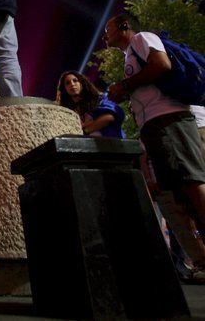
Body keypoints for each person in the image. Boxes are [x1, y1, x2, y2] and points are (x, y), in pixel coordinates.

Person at [105, 13, 205, 253]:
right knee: (181, 192)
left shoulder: (141, 38)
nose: (105, 35)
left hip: (169, 119)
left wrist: (125, 86)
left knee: (192, 182)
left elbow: (161, 64)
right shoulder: (130, 53)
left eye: (108, 29)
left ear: (124, 26)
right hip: (155, 125)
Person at [55, 70, 125, 138]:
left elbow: (109, 117)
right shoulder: (68, 112)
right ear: (64, 89)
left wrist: (84, 131)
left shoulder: (99, 99)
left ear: (81, 83)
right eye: (67, 83)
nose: (72, 84)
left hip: (112, 144)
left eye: (75, 80)